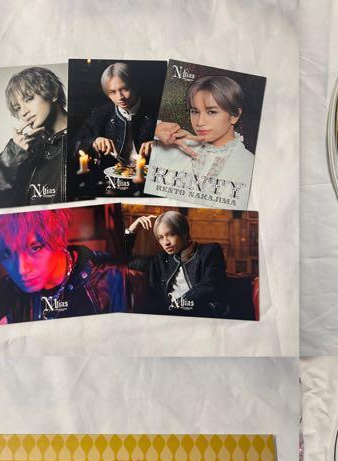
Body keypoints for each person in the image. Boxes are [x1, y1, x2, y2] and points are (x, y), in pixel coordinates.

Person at [0, 209, 129, 324]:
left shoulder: (117, 280)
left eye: (35, 248)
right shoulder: (3, 293)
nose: (21, 270)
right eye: (7, 253)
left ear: (57, 236)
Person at [147, 74, 255, 210]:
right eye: (195, 111)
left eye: (212, 112)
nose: (199, 122)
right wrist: (155, 129)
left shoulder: (250, 165)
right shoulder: (175, 145)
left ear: (235, 115)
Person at [0, 66, 68, 208]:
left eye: (29, 99)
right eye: (18, 108)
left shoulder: (86, 135)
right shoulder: (26, 148)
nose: (24, 112)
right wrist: (13, 155)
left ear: (53, 93)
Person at [124, 210, 228, 316]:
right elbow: (123, 261)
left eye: (171, 235)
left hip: (203, 312)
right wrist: (131, 230)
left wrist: (172, 307)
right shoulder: (160, 260)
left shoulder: (209, 251)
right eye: (161, 237)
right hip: (170, 315)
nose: (166, 242)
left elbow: (209, 287)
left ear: (184, 233)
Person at [72, 61, 156, 166]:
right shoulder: (100, 113)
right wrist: (94, 142)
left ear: (135, 85)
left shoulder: (155, 111)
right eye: (112, 92)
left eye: (124, 89)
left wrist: (159, 146)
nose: (120, 97)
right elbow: (74, 145)